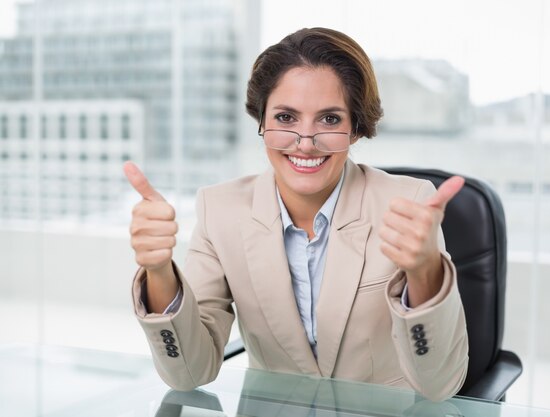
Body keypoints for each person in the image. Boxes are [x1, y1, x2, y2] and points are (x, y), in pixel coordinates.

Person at [124, 27, 468, 402]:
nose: (305, 141)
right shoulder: (219, 210)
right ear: (261, 121)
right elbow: (189, 372)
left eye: (330, 120)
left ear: (356, 128)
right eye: (286, 118)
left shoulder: (407, 204)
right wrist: (158, 272)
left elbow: (440, 385)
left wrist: (423, 272)